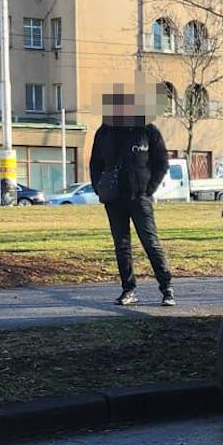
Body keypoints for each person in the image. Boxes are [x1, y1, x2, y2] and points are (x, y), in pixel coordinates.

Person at [89, 82, 175, 306]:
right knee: (122, 245)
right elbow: (95, 162)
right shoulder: (105, 132)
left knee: (150, 242)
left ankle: (166, 287)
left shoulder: (147, 131)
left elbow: (161, 163)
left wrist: (148, 188)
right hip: (114, 198)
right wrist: (99, 186)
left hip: (139, 197)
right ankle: (128, 289)